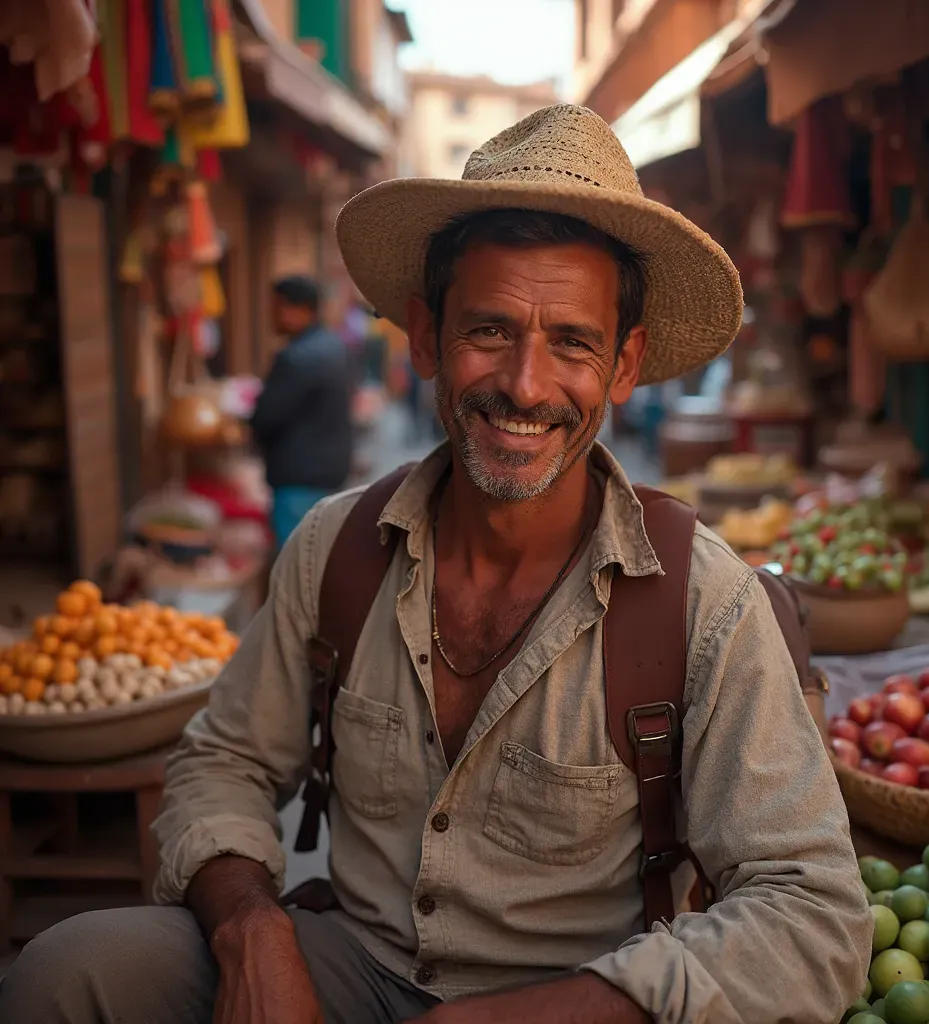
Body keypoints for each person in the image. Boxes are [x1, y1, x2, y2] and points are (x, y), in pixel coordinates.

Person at [0, 104, 871, 1024]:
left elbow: (814, 917)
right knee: (68, 972)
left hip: (577, 1001)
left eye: (572, 342)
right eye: (490, 331)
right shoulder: (334, 550)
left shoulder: (707, 606)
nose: (526, 386)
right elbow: (222, 763)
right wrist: (252, 932)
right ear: (425, 337)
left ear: (624, 366)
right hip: (346, 966)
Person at [251, 275, 352, 550]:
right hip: (328, 474)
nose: (272, 316)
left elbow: (266, 418)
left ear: (301, 310)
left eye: (278, 308)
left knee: (296, 570)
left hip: (299, 479)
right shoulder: (332, 347)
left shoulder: (297, 358)